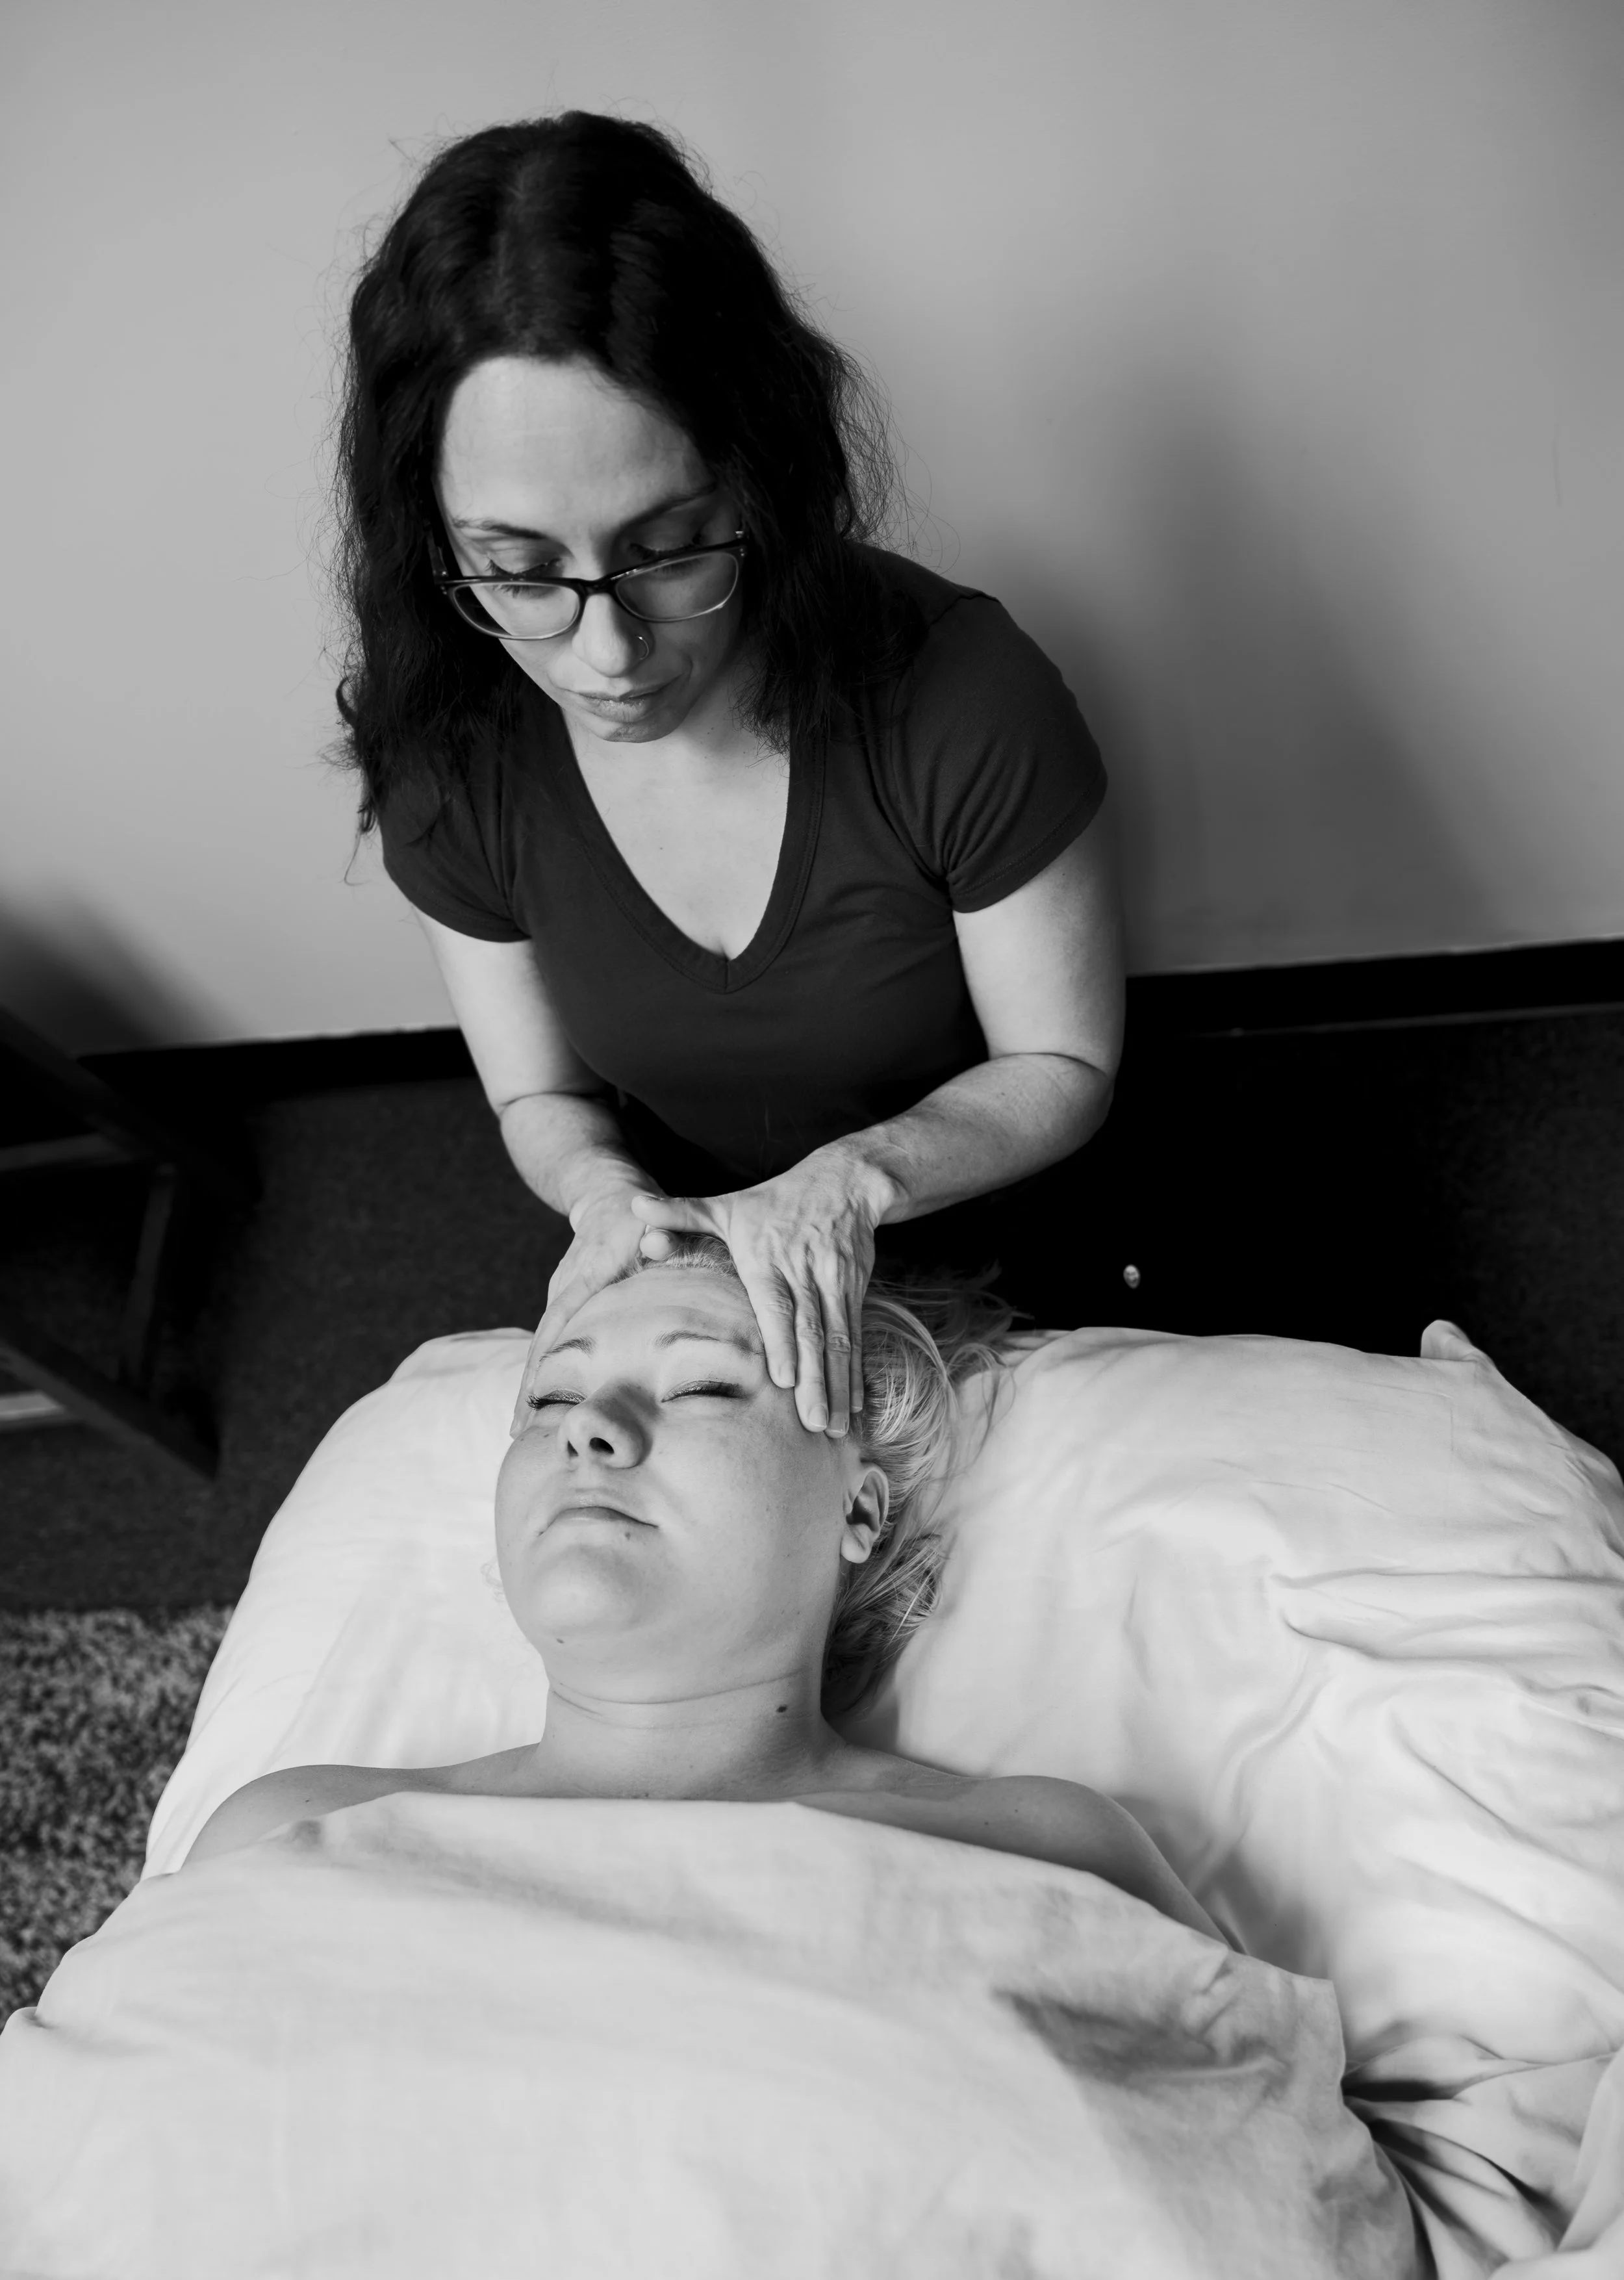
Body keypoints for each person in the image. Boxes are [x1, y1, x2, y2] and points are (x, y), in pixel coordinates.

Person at [325, 109, 1126, 1449]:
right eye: (520, 572)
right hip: (690, 1244)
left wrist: (854, 1182)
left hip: (989, 1201)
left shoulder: (962, 693)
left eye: (669, 551)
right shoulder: (451, 751)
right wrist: (599, 1197)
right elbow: (541, 1097)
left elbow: (1060, 1059)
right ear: (434, 545)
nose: (606, 651)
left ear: (762, 480)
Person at [186, 1239, 1216, 1944]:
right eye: (550, 1398)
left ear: (858, 1512)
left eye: (704, 1387)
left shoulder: (1047, 1850)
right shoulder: (278, 1835)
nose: (588, 1429)